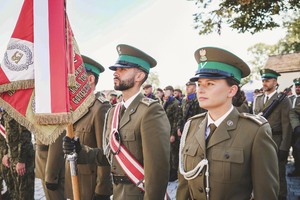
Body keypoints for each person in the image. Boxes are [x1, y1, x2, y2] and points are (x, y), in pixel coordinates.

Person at [63, 44, 170, 200]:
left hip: (138, 193)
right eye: (116, 69)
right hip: (119, 193)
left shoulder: (150, 111)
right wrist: (80, 150)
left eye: (123, 69)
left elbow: (157, 171)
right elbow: (109, 155)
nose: (116, 73)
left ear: (139, 76)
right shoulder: (114, 111)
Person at [177, 47, 279, 200]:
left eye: (210, 84)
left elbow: (265, 193)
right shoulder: (191, 126)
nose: (201, 90)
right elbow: (184, 185)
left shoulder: (254, 131)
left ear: (231, 91)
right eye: (199, 84)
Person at [64, 55, 112, 200]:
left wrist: (102, 190)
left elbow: (105, 153)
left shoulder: (100, 108)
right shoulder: (74, 108)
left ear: (90, 79)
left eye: (76, 76)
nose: (70, 80)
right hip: (73, 181)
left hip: (89, 186)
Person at [253, 68, 292, 200]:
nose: (264, 83)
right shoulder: (258, 99)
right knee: (260, 172)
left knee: (279, 173)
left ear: (275, 82)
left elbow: (287, 125)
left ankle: (281, 196)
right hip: (259, 142)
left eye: (268, 80)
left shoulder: (283, 100)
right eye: (263, 80)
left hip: (276, 140)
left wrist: (284, 147)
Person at [1, 111, 35, 199]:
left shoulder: (18, 109)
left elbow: (25, 136)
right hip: (12, 159)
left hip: (23, 160)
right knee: (15, 195)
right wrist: (7, 154)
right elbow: (9, 137)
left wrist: (21, 160)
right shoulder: (6, 111)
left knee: (25, 195)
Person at [35, 132, 66, 200]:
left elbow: (57, 145)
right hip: (44, 165)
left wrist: (51, 176)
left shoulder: (55, 121)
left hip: (51, 168)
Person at [163, 85, 182, 181]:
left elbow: (176, 119)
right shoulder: (166, 102)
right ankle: (169, 171)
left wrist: (173, 134)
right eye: (165, 91)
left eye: (168, 91)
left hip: (171, 131)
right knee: (168, 153)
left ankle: (174, 173)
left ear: (171, 92)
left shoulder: (176, 103)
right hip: (165, 131)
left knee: (173, 153)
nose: (166, 92)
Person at [288, 77, 300, 177]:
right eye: (296, 86)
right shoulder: (290, 99)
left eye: (299, 86)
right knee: (294, 151)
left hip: (298, 130)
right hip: (290, 130)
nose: (297, 88)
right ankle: (296, 167)